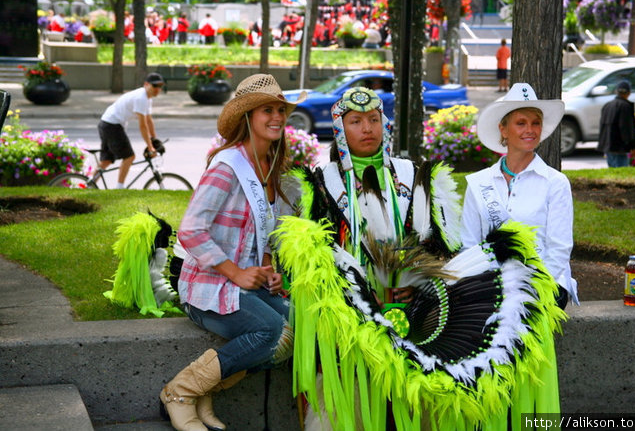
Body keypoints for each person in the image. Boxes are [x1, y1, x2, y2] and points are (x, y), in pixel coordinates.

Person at [274, 87, 566, 430]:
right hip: (347, 314)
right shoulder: (319, 184)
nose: (367, 128)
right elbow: (311, 261)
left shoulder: (415, 177)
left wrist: (416, 286)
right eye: (355, 121)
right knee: (347, 404)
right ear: (340, 128)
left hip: (417, 308)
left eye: (373, 120)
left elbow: (440, 249)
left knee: (418, 397)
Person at [160, 74, 304, 431]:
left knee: (298, 327)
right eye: (267, 110)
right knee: (270, 329)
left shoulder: (273, 169)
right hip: (207, 286)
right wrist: (235, 271)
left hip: (246, 287)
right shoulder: (228, 167)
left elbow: (267, 237)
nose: (277, 117)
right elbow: (191, 229)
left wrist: (269, 269)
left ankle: (205, 388)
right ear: (248, 117)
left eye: (280, 110)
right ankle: (180, 391)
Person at [460, 82, 579, 308]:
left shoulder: (555, 183)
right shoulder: (478, 183)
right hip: (493, 284)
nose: (530, 130)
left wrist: (532, 287)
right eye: (521, 123)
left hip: (545, 284)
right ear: (503, 129)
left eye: (536, 123)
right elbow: (469, 246)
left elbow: (559, 249)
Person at [97, 73, 164, 189]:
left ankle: (88, 184)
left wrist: (154, 139)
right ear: (146, 85)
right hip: (112, 125)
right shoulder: (141, 98)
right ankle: (119, 188)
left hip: (107, 123)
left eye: (160, 86)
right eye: (155, 86)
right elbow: (143, 125)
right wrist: (150, 147)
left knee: (107, 160)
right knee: (129, 157)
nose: (158, 89)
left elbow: (149, 120)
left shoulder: (147, 98)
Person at [596, 80, 635, 168]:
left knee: (612, 172)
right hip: (620, 148)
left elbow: (602, 126)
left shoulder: (607, 106)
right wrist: (633, 147)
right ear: (629, 93)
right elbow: (626, 128)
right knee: (622, 171)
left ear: (616, 91)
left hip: (608, 146)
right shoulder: (625, 106)